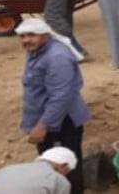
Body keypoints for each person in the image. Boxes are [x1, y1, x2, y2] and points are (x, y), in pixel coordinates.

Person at [16, 19, 90, 194]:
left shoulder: (57, 57)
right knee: (49, 164)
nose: (26, 40)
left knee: (64, 164)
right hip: (48, 117)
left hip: (61, 121)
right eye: (22, 36)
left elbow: (60, 97)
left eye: (32, 35)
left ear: (46, 35)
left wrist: (42, 126)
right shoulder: (37, 50)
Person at [0, 147, 76, 194]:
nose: (65, 175)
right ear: (63, 166)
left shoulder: (8, 169)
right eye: (67, 172)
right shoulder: (59, 180)